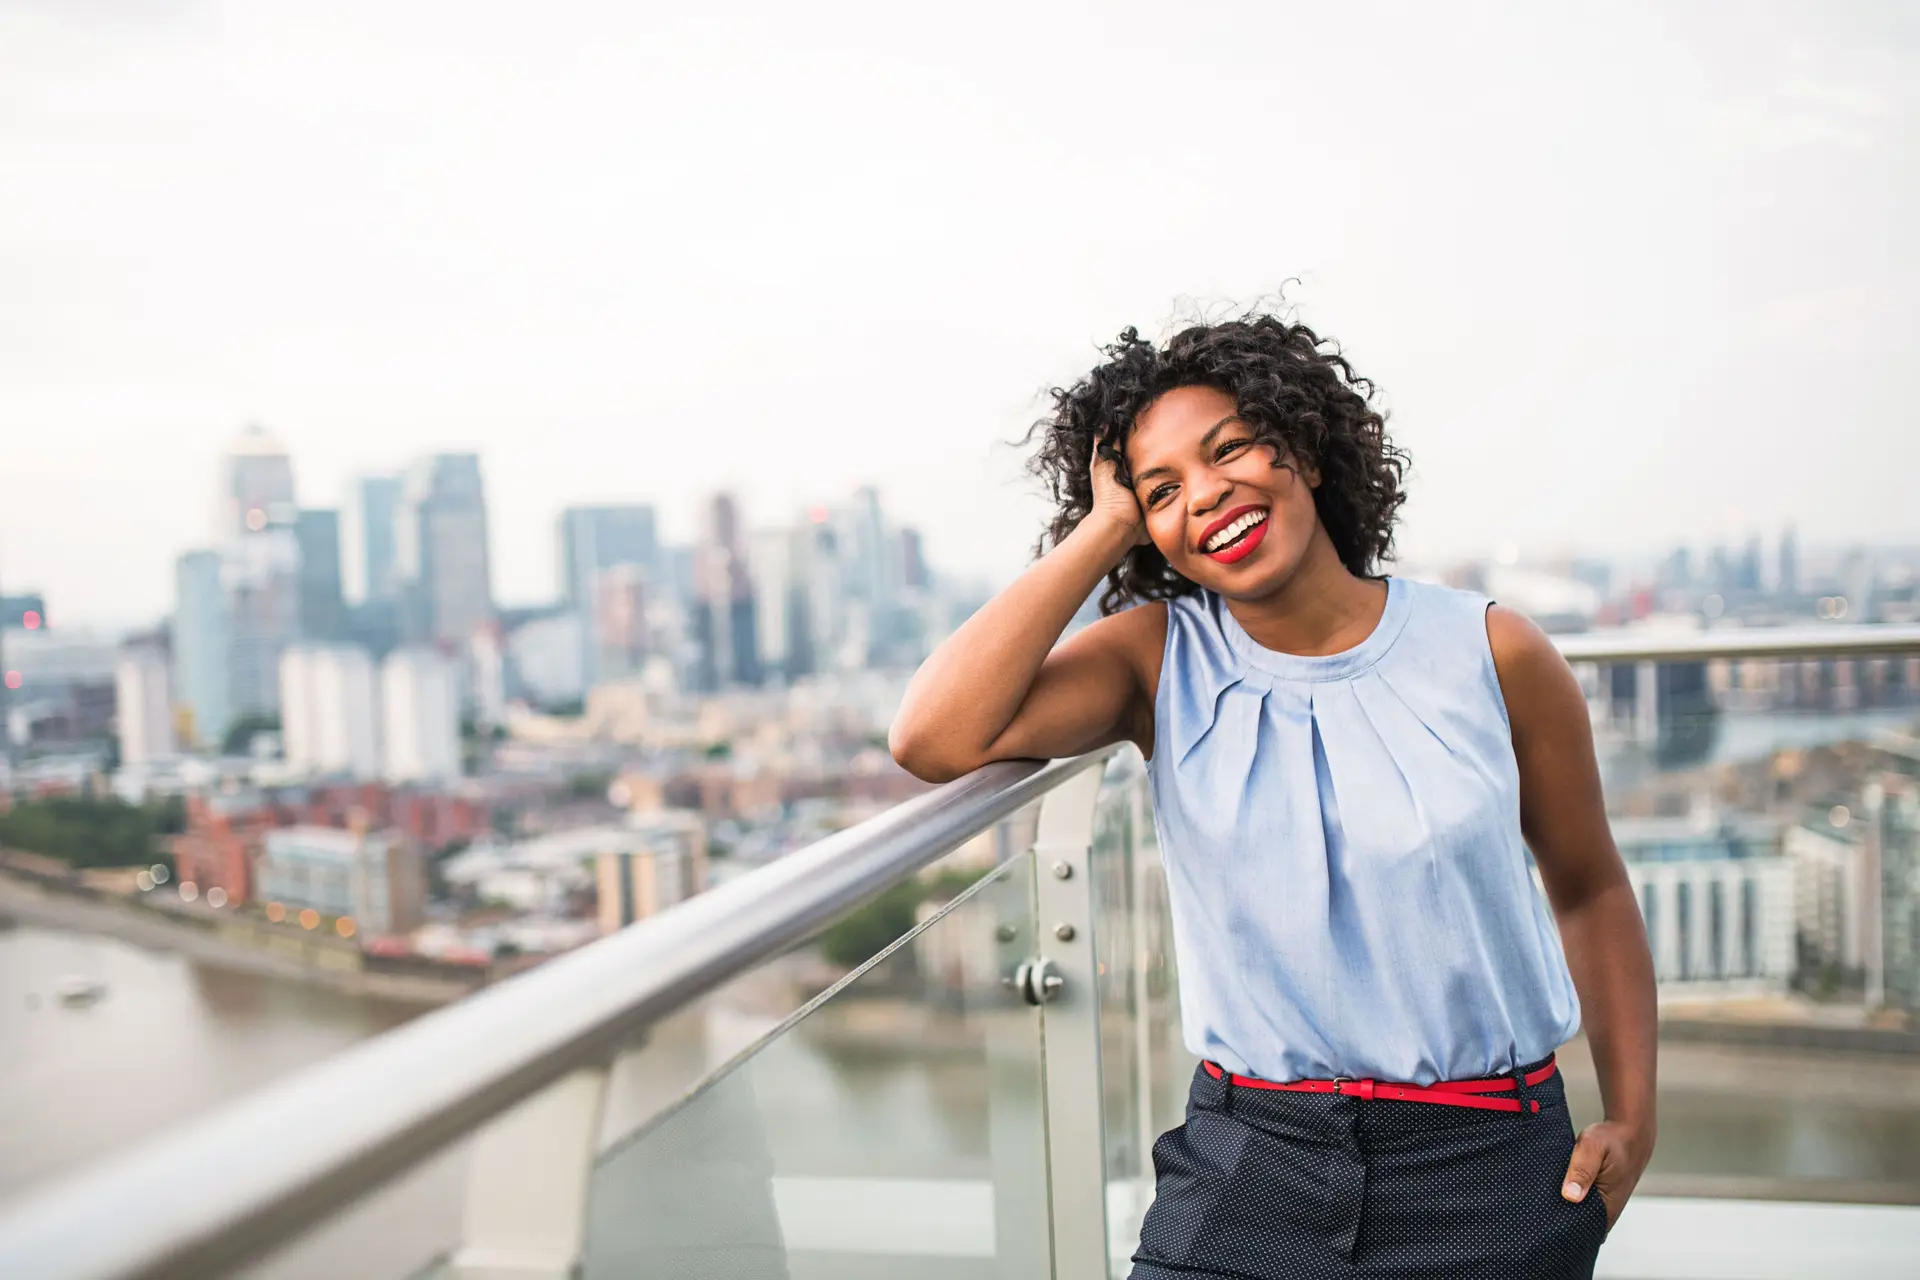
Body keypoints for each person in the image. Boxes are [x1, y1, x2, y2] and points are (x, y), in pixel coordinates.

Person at [890, 312, 1657, 1279]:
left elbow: (1588, 886)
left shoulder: (1495, 652)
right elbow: (931, 735)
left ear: (1308, 448)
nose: (1206, 496)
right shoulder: (1157, 659)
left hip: (1490, 1171)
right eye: (1162, 489)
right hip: (1246, 1163)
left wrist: (1635, 1116)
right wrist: (1104, 528)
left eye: (1231, 449)